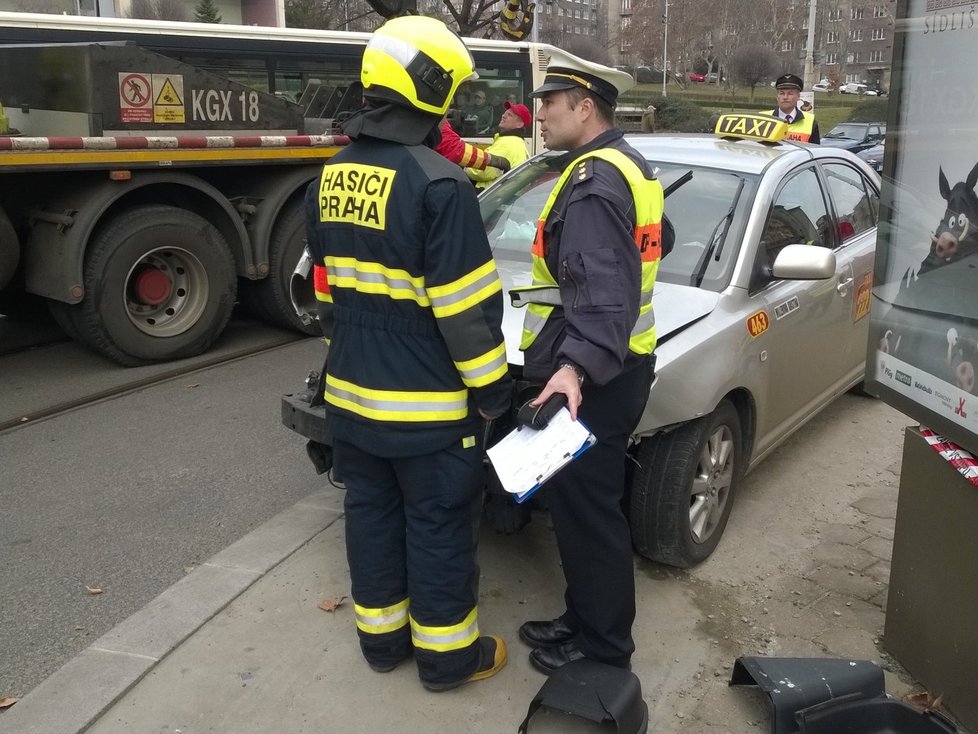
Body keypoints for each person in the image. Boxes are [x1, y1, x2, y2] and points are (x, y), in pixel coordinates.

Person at [304, 15, 512, 692]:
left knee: (368, 517)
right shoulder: (440, 184)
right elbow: (465, 310)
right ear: (430, 87)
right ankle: (450, 659)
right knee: (438, 528)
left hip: (352, 399)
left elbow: (322, 292)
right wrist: (494, 393)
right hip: (426, 413)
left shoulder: (330, 176)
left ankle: (382, 644)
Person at [510, 53, 664, 674]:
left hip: (593, 377)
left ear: (583, 106)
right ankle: (584, 616)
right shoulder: (629, 166)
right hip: (619, 367)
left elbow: (603, 293)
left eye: (549, 102)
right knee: (576, 505)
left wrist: (572, 369)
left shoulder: (596, 180)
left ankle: (603, 649)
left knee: (589, 510)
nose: (538, 113)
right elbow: (655, 246)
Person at [466, 101, 531, 189]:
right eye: (505, 113)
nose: (503, 116)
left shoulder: (507, 143)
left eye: (509, 115)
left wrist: (466, 167)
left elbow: (482, 172)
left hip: (489, 197)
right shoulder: (517, 142)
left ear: (519, 124)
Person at [771, 73, 821, 144]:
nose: (785, 97)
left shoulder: (810, 122)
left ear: (798, 96)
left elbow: (815, 152)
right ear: (777, 96)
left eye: (790, 93)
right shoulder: (763, 119)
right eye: (782, 93)